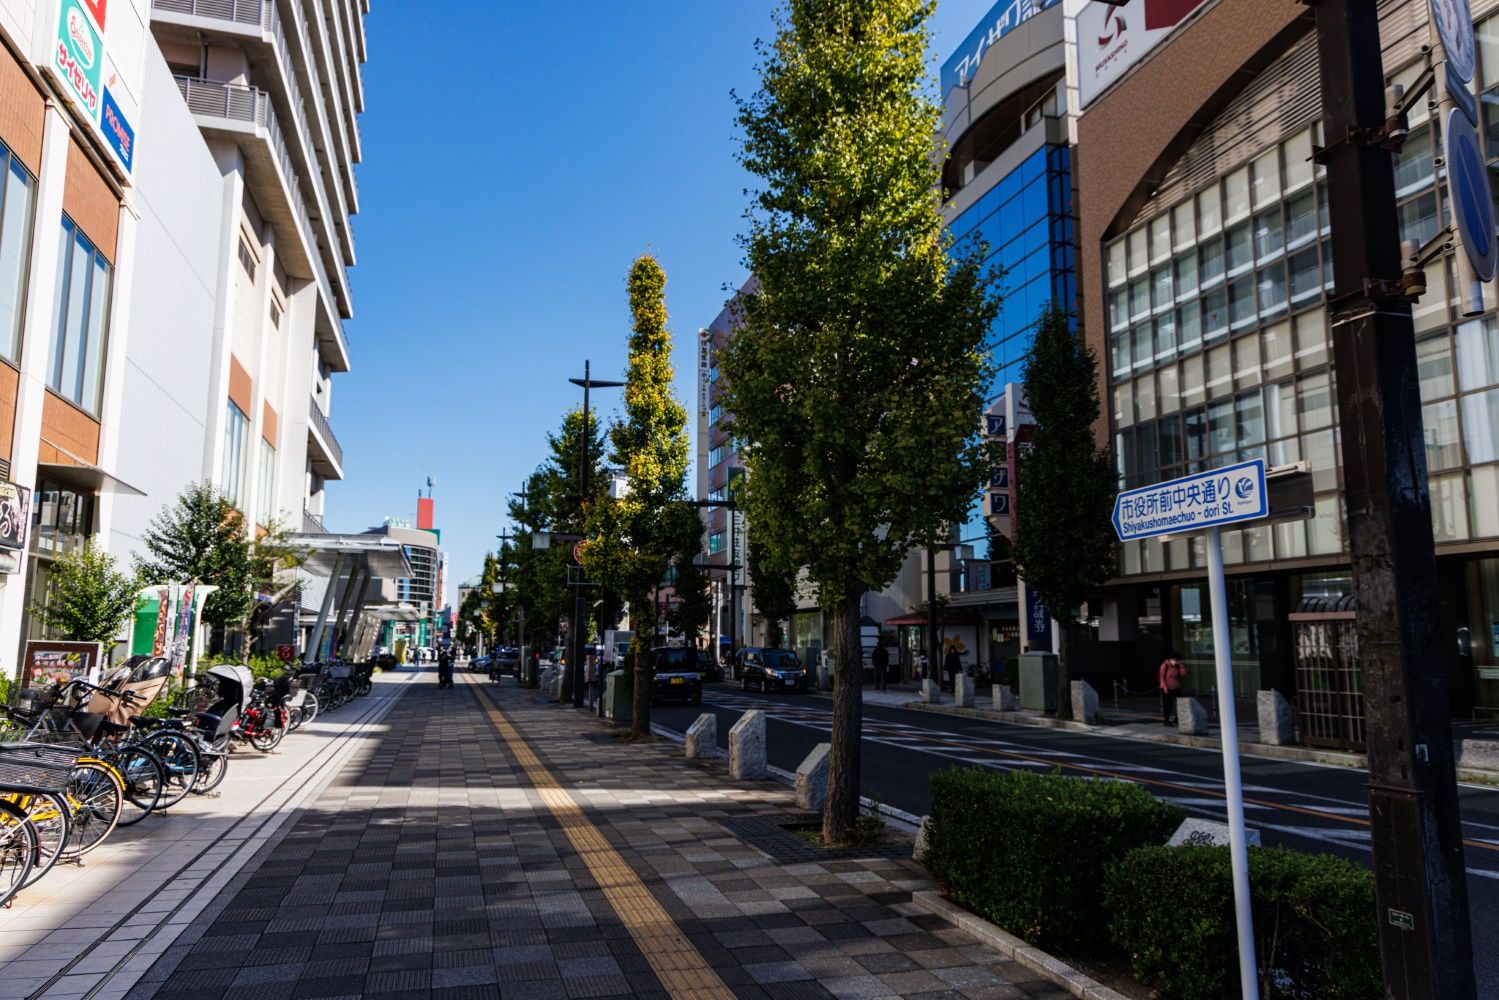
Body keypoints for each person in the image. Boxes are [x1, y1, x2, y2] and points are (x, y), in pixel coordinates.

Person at [1159, 649, 1186, 725]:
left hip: (1176, 686)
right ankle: (1166, 720)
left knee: (1181, 702)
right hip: (1166, 687)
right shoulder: (1165, 665)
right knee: (1168, 704)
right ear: (1170, 659)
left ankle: (1177, 718)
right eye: (1174, 660)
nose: (1175, 661)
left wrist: (1181, 665)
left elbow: (1183, 673)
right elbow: (1162, 677)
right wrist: (1165, 688)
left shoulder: (1177, 666)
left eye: (1177, 660)